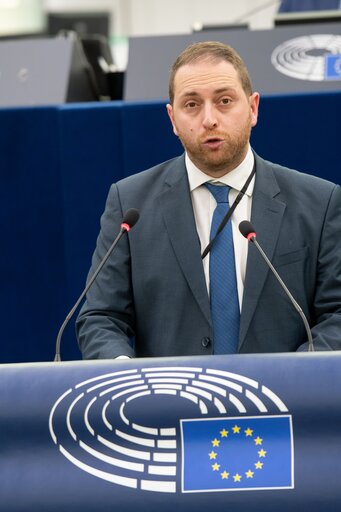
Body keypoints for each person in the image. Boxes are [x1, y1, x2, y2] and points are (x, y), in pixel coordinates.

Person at [76, 41, 341, 359]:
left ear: (253, 108)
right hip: (168, 404)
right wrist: (126, 377)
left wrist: (295, 376)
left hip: (284, 403)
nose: (209, 119)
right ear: (172, 119)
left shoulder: (320, 203)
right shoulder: (130, 205)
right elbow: (100, 318)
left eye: (225, 100)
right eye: (191, 105)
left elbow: (337, 314)